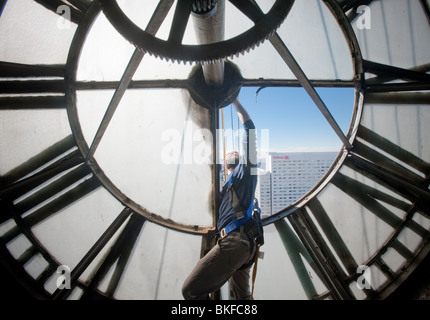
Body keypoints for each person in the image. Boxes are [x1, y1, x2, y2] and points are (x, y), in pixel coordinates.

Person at [182, 98, 261, 300]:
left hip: (235, 241)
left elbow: (249, 133)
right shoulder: (226, 186)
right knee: (243, 299)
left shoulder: (245, 173)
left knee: (190, 291)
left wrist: (235, 102)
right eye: (229, 153)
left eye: (235, 152)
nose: (232, 152)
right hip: (244, 244)